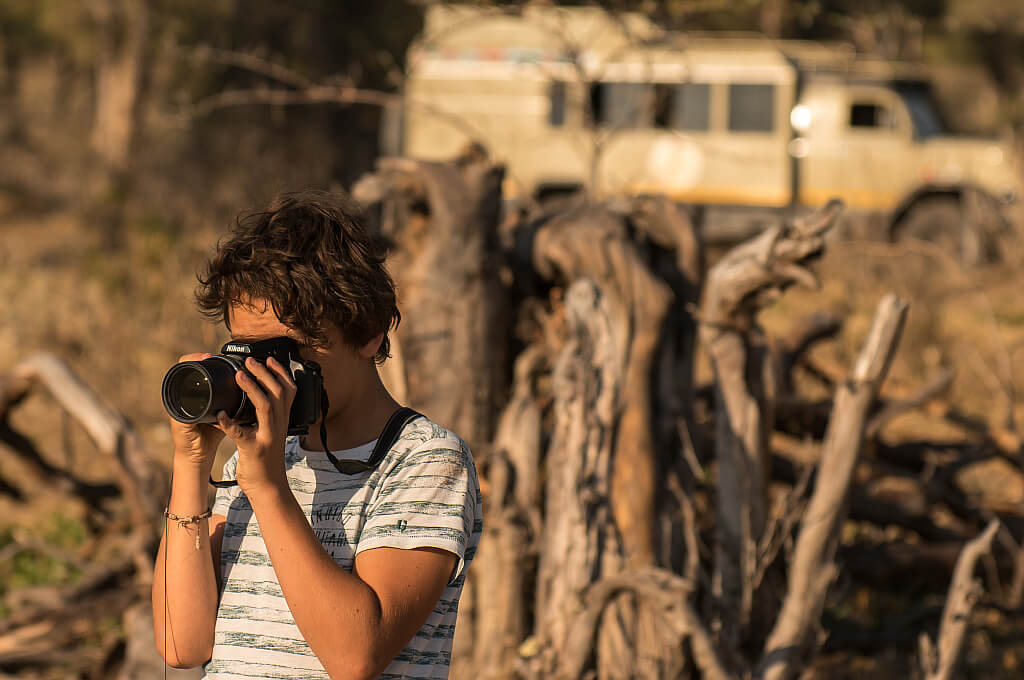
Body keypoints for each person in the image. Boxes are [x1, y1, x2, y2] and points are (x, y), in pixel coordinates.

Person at [152, 190, 482, 679]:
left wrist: (266, 488)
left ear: (368, 331)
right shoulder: (257, 457)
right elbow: (183, 643)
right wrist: (192, 463)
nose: (267, 376)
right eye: (249, 355)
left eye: (286, 352)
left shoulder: (425, 459)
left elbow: (355, 655)